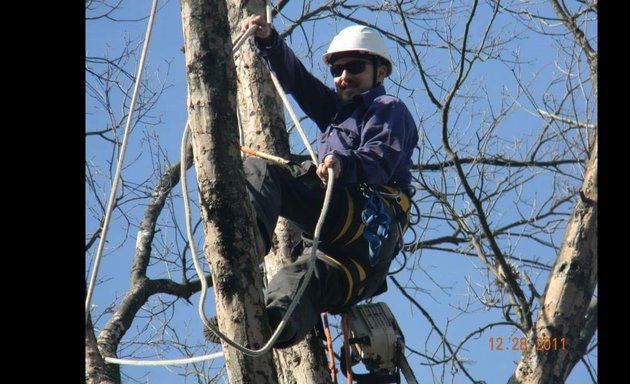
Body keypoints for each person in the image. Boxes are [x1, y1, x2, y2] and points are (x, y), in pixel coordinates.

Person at [212, 16, 419, 348]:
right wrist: (270, 43)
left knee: (267, 172)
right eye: (337, 70)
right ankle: (262, 327)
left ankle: (242, 243)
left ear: (380, 72)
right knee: (296, 280)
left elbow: (380, 158)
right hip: (353, 266)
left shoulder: (386, 107)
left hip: (366, 217)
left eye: (354, 67)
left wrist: (342, 163)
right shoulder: (335, 113)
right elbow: (299, 81)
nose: (344, 77)